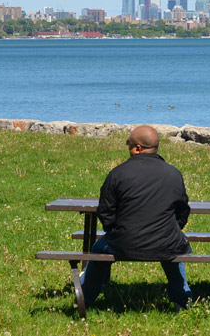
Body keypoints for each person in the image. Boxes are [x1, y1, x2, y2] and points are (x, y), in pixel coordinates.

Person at [80, 125, 192, 309]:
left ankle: (85, 298)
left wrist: (116, 232)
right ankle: (182, 300)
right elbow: (182, 210)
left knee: (98, 248)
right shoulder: (173, 173)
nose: (128, 149)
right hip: (165, 241)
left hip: (124, 242)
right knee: (175, 244)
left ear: (138, 148)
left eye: (129, 145)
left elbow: (106, 211)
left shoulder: (118, 173)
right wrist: (171, 229)